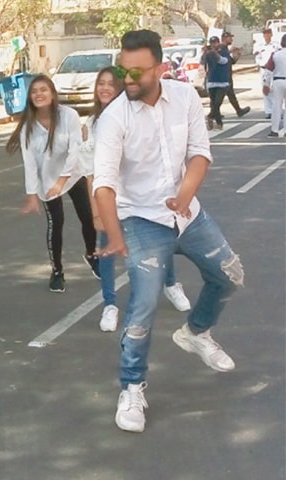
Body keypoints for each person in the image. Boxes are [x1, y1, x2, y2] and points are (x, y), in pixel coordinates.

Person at [93, 30, 243, 433]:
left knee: (229, 275)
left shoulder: (185, 97)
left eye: (138, 71)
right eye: (124, 69)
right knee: (143, 307)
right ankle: (131, 388)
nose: (128, 79)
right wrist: (114, 234)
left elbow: (199, 153)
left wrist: (184, 195)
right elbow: (103, 184)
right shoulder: (114, 118)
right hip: (141, 220)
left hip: (187, 213)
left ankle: (196, 332)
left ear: (160, 68)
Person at [80, 67, 191, 332]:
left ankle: (171, 284)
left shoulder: (137, 116)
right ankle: (109, 305)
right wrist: (95, 212)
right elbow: (89, 173)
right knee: (106, 250)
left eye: (110, 84)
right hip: (111, 201)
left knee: (160, 242)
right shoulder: (92, 125)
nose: (105, 88)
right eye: (101, 84)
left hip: (143, 198)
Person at [6, 74, 99, 293]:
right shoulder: (28, 127)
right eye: (34, 91)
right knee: (56, 224)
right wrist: (31, 195)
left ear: (53, 94)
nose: (39, 94)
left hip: (73, 174)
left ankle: (91, 255)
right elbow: (29, 163)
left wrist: (62, 181)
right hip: (47, 181)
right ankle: (57, 271)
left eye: (43, 90)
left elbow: (75, 150)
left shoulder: (69, 115)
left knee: (87, 216)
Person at [219, 31, 251, 118]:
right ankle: (214, 113)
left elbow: (231, 62)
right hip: (222, 76)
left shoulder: (225, 49)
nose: (232, 39)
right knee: (221, 95)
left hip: (227, 75)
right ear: (225, 38)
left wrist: (237, 55)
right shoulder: (221, 48)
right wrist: (230, 51)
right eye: (230, 37)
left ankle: (238, 110)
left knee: (230, 94)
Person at [204, 36, 230, 130]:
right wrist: (205, 52)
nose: (213, 44)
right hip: (212, 81)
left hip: (222, 81)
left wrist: (214, 53)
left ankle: (210, 117)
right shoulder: (208, 53)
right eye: (212, 43)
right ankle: (219, 123)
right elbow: (203, 63)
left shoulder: (223, 51)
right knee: (213, 103)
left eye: (215, 42)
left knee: (217, 103)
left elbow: (224, 61)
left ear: (218, 43)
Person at [254, 28, 279, 119]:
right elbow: (257, 57)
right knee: (266, 90)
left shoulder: (276, 45)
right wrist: (261, 64)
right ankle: (269, 111)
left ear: (271, 34)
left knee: (275, 90)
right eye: (265, 34)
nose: (267, 35)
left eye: (268, 33)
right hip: (264, 69)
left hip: (274, 69)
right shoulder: (259, 46)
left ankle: (276, 110)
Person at [267, 34, 286, 137]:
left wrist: (266, 84)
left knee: (276, 106)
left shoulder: (275, 54)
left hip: (278, 80)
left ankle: (274, 130)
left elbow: (268, 70)